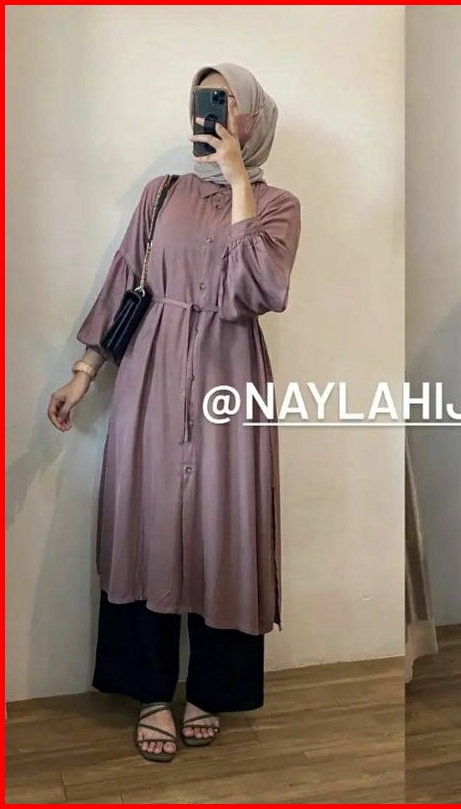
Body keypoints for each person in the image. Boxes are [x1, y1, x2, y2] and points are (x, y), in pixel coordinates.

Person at [47, 63, 301, 762]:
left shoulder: (277, 204)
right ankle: (150, 691)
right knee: (146, 522)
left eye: (223, 101)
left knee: (226, 525)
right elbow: (123, 283)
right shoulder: (160, 195)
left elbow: (258, 290)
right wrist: (84, 373)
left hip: (230, 376)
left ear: (253, 117)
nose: (207, 111)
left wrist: (238, 180)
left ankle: (214, 688)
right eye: (200, 99)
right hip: (151, 375)